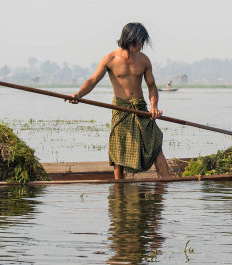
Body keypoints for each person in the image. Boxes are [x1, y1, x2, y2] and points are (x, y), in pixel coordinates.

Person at [67, 22, 170, 180]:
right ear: (130, 39)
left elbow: (152, 86)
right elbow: (93, 80)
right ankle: (119, 189)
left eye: (143, 41)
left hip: (140, 107)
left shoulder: (144, 60)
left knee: (155, 145)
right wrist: (78, 95)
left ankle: (168, 182)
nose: (142, 45)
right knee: (118, 149)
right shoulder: (110, 59)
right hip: (121, 108)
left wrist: (154, 106)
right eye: (140, 41)